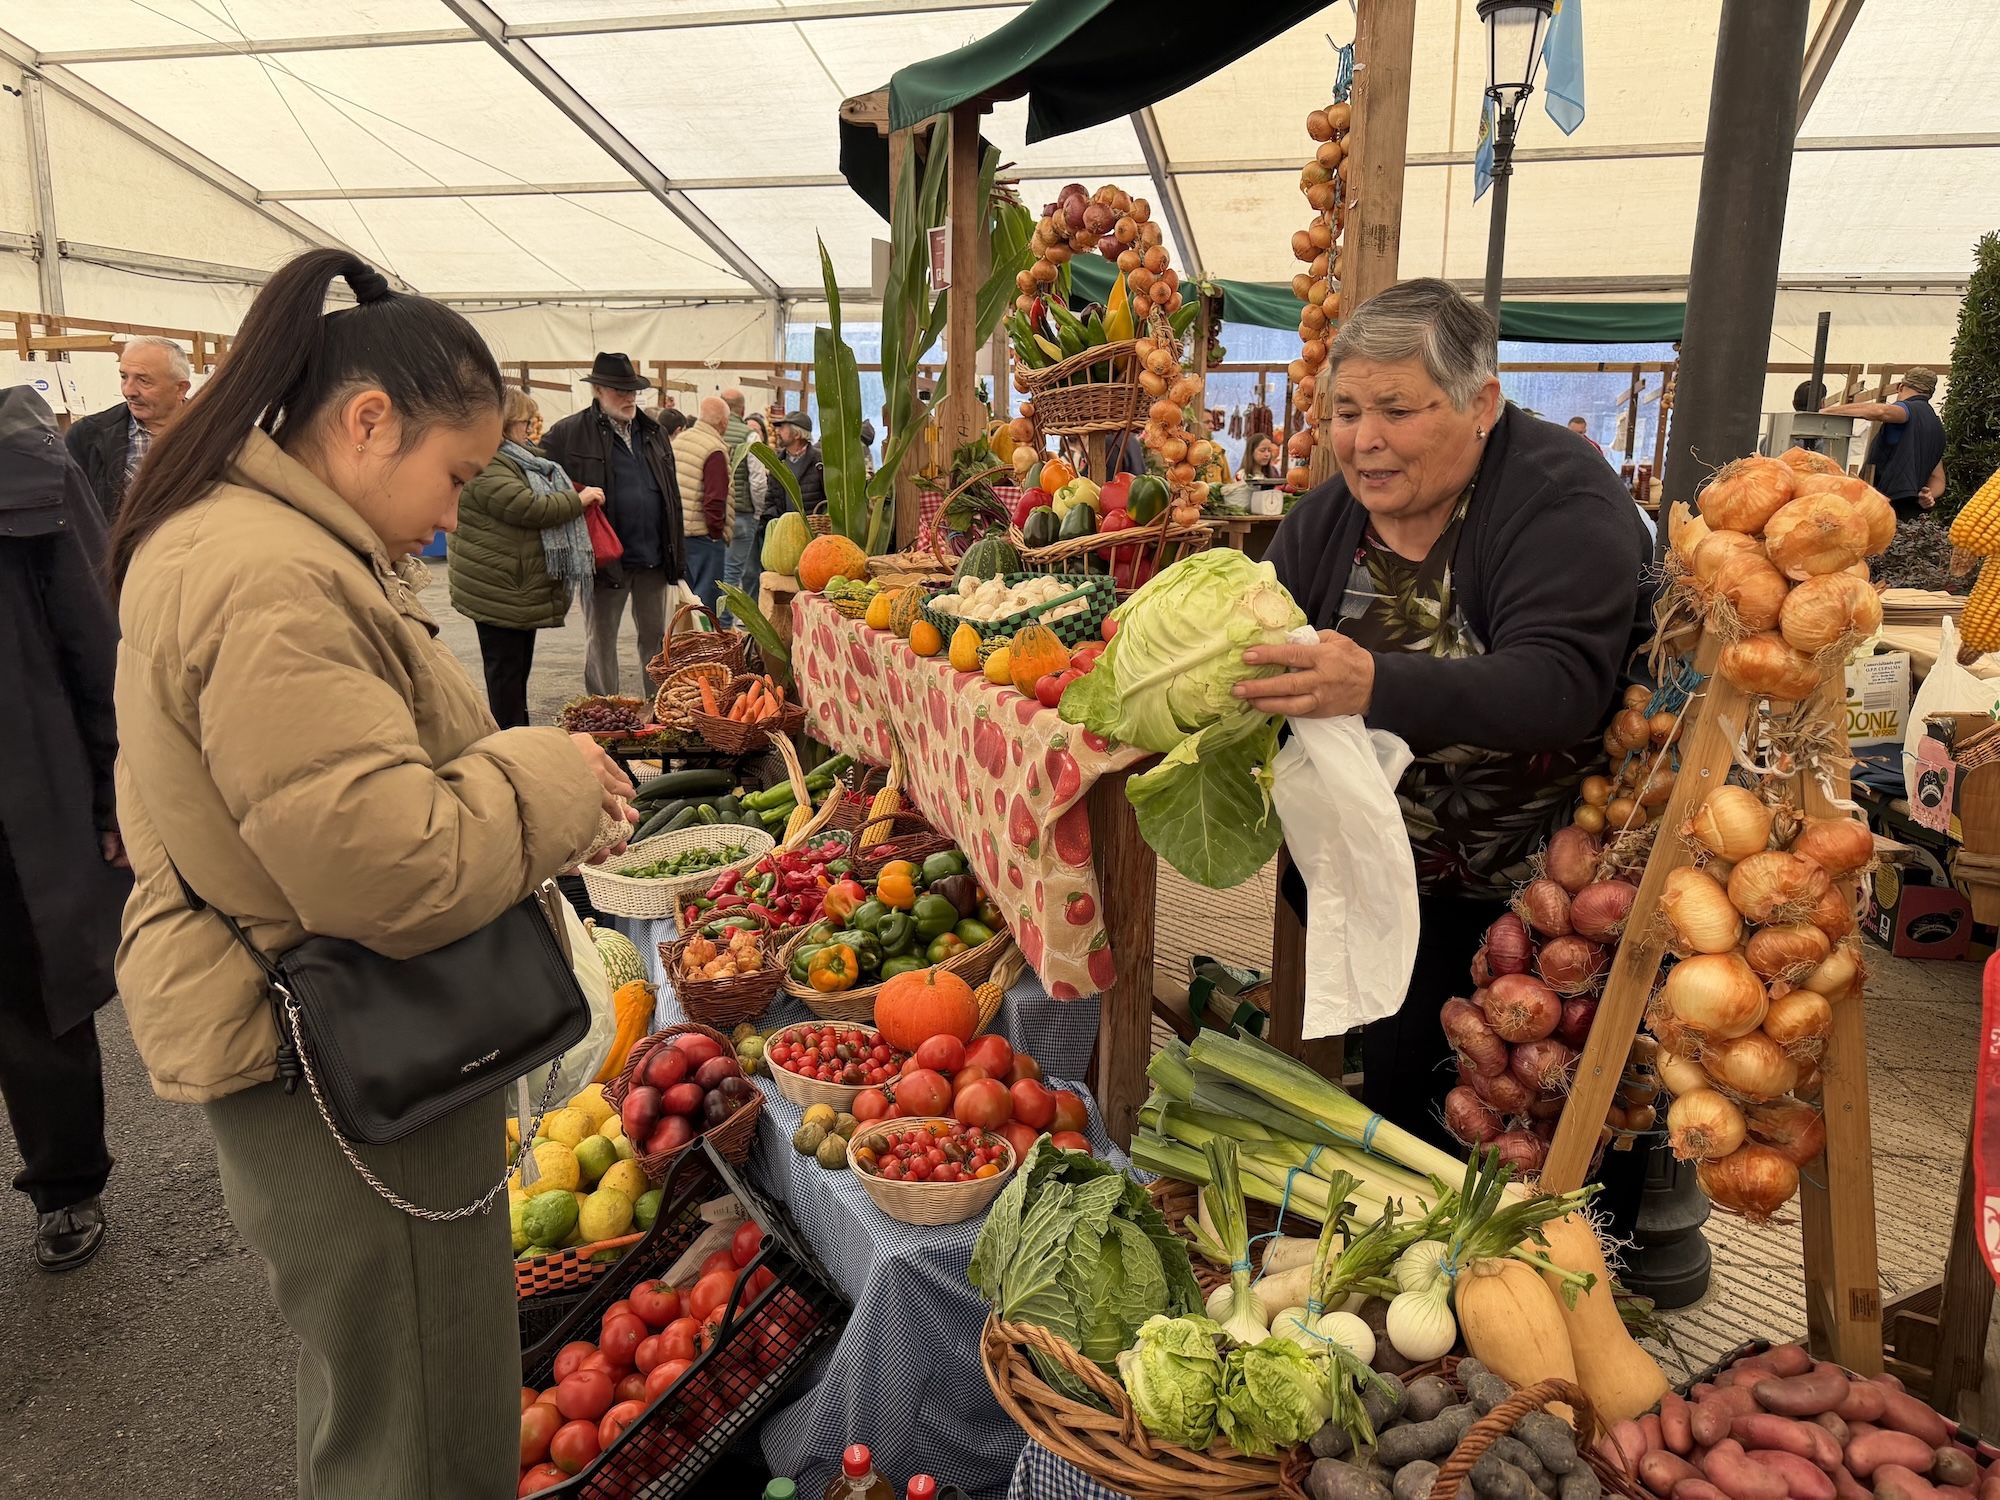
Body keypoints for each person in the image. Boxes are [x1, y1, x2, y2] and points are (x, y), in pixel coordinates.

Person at [106, 249, 637, 1500]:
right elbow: (382, 866)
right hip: (341, 1051)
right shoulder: (271, 575)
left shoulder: (259, 544)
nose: (454, 515)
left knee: (389, 1394)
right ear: (364, 422)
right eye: (453, 476)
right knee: (417, 1425)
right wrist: (549, 776)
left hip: (324, 1031)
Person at [1246, 279, 1652, 1188]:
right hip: (1395, 880)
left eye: (1396, 408)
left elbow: (1561, 688)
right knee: (1416, 1115)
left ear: (1481, 405)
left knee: (1565, 1117)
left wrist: (1374, 681)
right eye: (1346, 411)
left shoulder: (1558, 499)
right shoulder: (1324, 525)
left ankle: (1598, 1284)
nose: (1364, 439)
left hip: (1551, 895)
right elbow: (1257, 650)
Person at [0, 385, 127, 1273]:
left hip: (18, 793)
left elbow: (92, 635)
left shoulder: (27, 463)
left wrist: (117, 790)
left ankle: (66, 1182)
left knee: (32, 1000)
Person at [446, 389, 598, 728]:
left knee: (514, 671)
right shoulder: (487, 463)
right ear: (504, 424)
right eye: (524, 422)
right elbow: (527, 507)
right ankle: (509, 738)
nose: (529, 429)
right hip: (498, 586)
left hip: (509, 583)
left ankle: (516, 730)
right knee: (506, 674)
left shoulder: (512, 457)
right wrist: (578, 499)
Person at [541, 353, 686, 696]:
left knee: (655, 639)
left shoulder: (653, 433)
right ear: (599, 390)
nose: (629, 397)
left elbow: (671, 495)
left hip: (652, 555)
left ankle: (659, 709)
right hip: (604, 559)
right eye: (620, 391)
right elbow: (540, 477)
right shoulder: (569, 433)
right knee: (602, 638)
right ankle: (605, 714)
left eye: (633, 390)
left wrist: (676, 554)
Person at [65, 335, 193, 524]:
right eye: (124, 377)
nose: (128, 390)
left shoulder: (218, 434)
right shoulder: (87, 436)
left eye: (143, 380)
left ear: (180, 388)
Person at [1822, 367, 1947, 523]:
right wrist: (1929, 495)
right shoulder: (1937, 425)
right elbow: (1938, 478)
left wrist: (1827, 411)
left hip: (1888, 504)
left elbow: (1882, 411)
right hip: (1914, 511)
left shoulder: (1908, 409)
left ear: (1900, 387)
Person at [673, 395, 733, 613]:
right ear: (723, 422)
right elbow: (715, 498)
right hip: (704, 537)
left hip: (679, 533)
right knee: (705, 604)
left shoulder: (680, 440)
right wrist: (716, 533)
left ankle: (681, 645)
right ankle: (702, 645)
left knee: (684, 602)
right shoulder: (714, 449)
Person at [721, 388, 756, 606]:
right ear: (742, 410)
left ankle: (708, 626)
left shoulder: (711, 433)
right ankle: (723, 626)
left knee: (715, 574)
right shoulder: (749, 435)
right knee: (732, 575)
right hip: (742, 513)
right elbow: (758, 481)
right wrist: (757, 511)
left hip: (713, 515)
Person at [773, 410, 827, 514]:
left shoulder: (819, 461)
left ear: (797, 434)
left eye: (782, 428)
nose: (778, 432)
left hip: (811, 527)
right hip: (783, 526)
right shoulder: (777, 462)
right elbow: (771, 499)